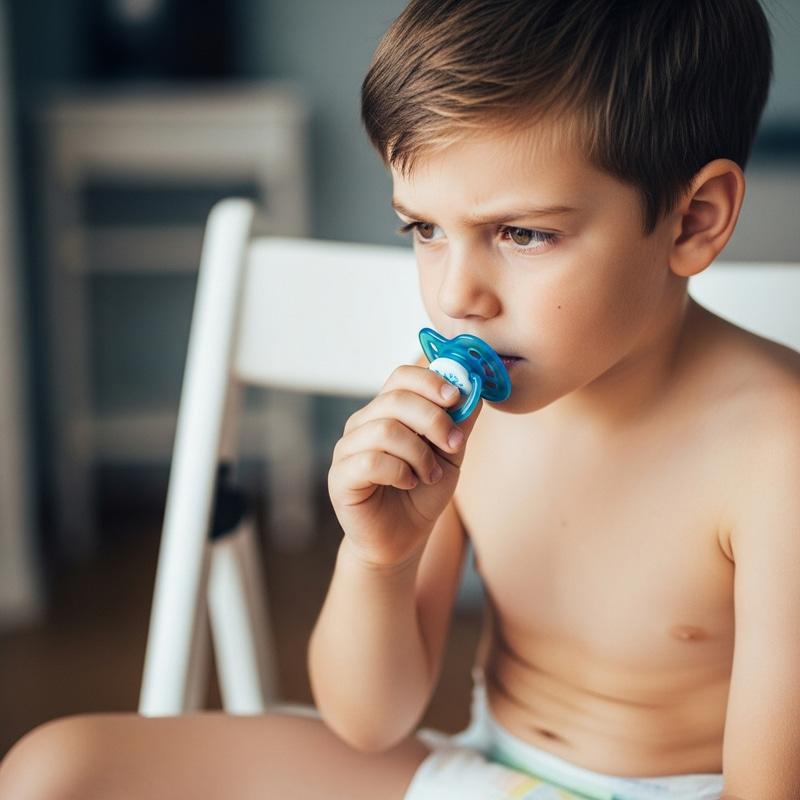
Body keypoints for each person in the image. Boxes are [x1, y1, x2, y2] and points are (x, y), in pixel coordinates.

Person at [1, 0, 796, 798]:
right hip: (484, 771)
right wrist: (379, 555)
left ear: (694, 220)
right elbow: (368, 724)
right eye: (423, 228)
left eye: (522, 234)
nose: (457, 297)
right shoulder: (466, 419)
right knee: (55, 770)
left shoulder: (774, 452)